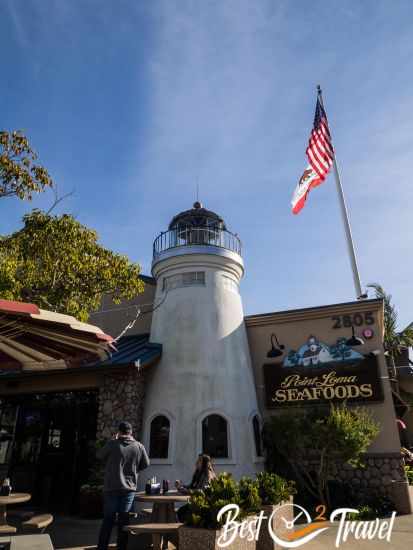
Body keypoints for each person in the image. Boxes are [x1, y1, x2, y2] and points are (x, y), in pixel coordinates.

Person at [96, 421, 150, 550]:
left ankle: (102, 547)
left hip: (111, 488)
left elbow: (99, 456)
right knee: (124, 522)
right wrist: (134, 470)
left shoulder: (113, 444)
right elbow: (146, 463)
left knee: (108, 521)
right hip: (129, 489)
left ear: (119, 432)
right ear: (130, 432)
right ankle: (122, 547)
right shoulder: (139, 446)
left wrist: (111, 441)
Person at [175, 454, 216, 522]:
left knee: (181, 512)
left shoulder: (208, 475)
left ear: (204, 463)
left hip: (204, 505)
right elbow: (193, 486)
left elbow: (202, 491)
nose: (197, 462)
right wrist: (181, 486)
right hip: (198, 502)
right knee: (181, 511)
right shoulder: (199, 473)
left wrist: (184, 490)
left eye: (199, 460)